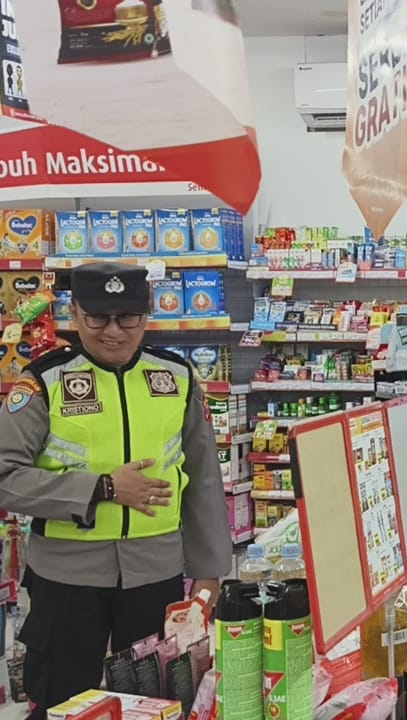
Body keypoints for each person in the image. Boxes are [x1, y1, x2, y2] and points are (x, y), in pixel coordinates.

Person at [0, 262, 232, 718]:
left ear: (147, 314)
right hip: (66, 580)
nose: (113, 331)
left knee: (160, 701)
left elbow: (204, 477)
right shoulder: (44, 381)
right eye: (97, 318)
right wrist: (101, 488)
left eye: (127, 317)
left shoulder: (177, 377)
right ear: (74, 312)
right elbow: (5, 476)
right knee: (63, 703)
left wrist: (210, 571)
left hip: (157, 577)